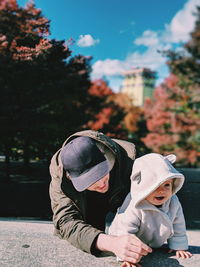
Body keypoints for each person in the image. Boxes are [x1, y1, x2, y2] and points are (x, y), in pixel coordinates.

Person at [49, 130, 152, 265]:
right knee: (90, 241)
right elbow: (65, 221)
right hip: (88, 202)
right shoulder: (59, 172)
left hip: (123, 195)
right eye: (90, 180)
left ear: (105, 156)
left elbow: (155, 197)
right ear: (70, 177)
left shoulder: (130, 158)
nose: (101, 184)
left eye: (101, 172)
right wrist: (111, 243)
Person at [108, 153, 193, 267]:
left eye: (166, 185)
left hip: (152, 242)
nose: (161, 191)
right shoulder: (134, 206)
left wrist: (178, 246)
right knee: (124, 233)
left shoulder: (173, 202)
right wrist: (127, 256)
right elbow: (125, 230)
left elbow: (178, 224)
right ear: (142, 187)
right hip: (123, 237)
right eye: (154, 186)